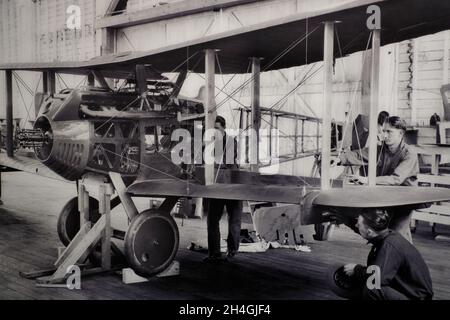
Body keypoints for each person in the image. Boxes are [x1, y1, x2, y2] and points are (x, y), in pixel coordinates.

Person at [336, 116, 419, 242]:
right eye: (383, 131)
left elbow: (396, 179)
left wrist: (368, 180)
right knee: (383, 233)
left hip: (404, 201)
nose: (384, 135)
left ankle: (402, 257)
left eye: (389, 132)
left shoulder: (409, 153)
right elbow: (359, 154)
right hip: (386, 197)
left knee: (396, 235)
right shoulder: (381, 150)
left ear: (401, 133)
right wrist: (339, 159)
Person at [331, 209, 433, 300]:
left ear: (370, 232)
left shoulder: (389, 246)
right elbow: (367, 231)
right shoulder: (386, 234)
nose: (357, 225)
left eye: (358, 224)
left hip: (416, 297)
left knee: (372, 289)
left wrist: (356, 269)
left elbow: (377, 279)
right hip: (407, 290)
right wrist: (347, 221)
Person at [204, 116, 243, 263]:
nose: (216, 132)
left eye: (218, 129)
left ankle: (232, 250)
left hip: (232, 185)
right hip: (218, 186)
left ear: (224, 128)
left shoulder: (231, 141)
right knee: (212, 219)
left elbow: (227, 162)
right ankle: (214, 252)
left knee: (234, 220)